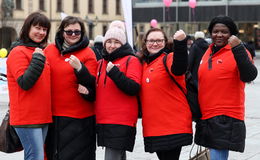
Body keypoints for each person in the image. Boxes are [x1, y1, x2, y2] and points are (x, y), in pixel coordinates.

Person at [195, 15, 258, 160]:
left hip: (225, 115)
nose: (219, 35)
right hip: (207, 114)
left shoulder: (238, 51)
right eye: (215, 31)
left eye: (224, 32)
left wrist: (238, 47)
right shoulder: (208, 51)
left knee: (218, 156)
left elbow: (249, 76)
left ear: (232, 34)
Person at [44, 16, 97, 160]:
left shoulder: (88, 53)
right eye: (69, 32)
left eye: (77, 32)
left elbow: (93, 83)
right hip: (53, 116)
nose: (73, 35)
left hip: (80, 118)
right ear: (62, 32)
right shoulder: (49, 50)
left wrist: (80, 69)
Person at [139, 28, 193, 160]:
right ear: (145, 43)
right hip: (154, 126)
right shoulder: (144, 64)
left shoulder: (168, 58)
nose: (155, 43)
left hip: (172, 125)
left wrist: (180, 43)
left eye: (159, 40)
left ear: (165, 42)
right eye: (151, 40)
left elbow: (179, 68)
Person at [6, 12, 52, 160]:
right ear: (27, 28)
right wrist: (37, 59)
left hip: (43, 116)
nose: (41, 32)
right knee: (35, 157)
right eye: (37, 28)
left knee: (39, 156)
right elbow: (25, 83)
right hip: (27, 117)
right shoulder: (17, 52)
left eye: (44, 29)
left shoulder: (39, 51)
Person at [94, 27, 142, 160]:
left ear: (123, 44)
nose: (112, 45)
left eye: (116, 42)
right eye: (109, 41)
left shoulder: (131, 60)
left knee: (112, 156)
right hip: (103, 120)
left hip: (121, 121)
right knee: (117, 156)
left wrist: (115, 73)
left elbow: (133, 88)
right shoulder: (100, 63)